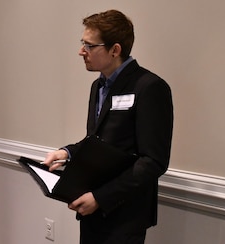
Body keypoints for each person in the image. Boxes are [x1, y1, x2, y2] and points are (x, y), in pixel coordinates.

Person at [43, 10, 173, 244]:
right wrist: (67, 152)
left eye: (90, 45)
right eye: (83, 43)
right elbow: (98, 141)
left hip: (124, 215)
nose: (81, 51)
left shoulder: (150, 87)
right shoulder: (98, 87)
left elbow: (153, 161)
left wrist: (101, 198)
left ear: (115, 50)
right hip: (91, 210)